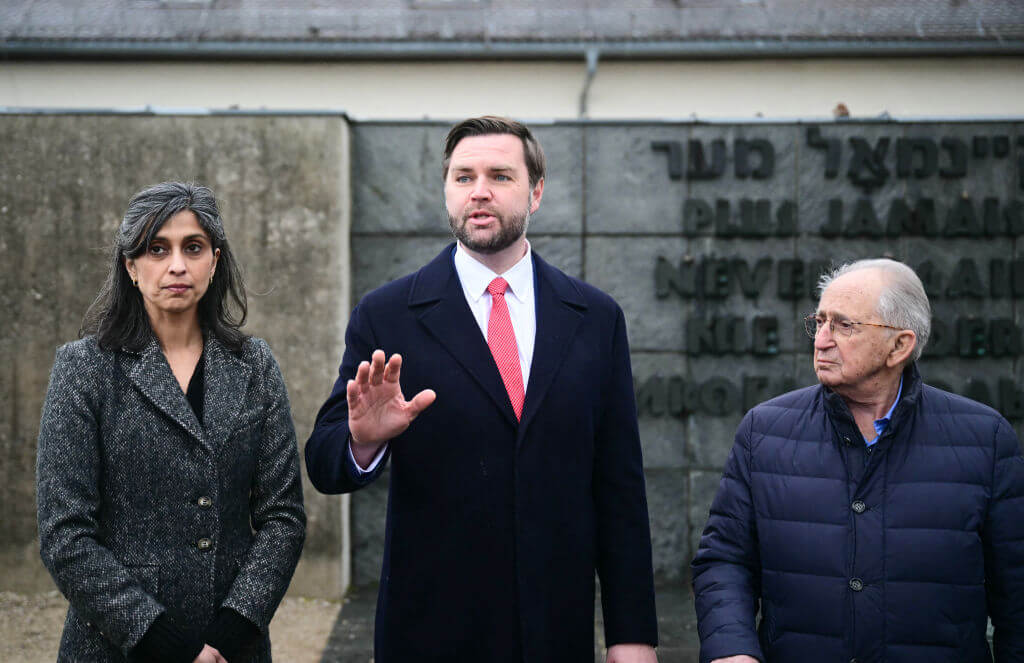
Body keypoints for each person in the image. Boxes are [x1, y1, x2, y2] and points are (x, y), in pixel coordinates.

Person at [305, 116, 658, 662]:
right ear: (446, 189)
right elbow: (325, 464)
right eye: (463, 176)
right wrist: (362, 441)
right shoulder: (389, 314)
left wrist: (631, 636)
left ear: (536, 192)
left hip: (554, 630)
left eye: (500, 175)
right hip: (430, 634)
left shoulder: (594, 318)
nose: (480, 191)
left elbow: (620, 490)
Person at [691, 258, 1024, 663]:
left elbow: (1016, 593)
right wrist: (732, 651)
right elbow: (724, 560)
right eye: (820, 322)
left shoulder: (985, 439)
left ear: (900, 346)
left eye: (844, 326)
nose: (821, 340)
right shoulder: (763, 431)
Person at [36, 182, 306, 663]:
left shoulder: (254, 365)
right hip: (117, 646)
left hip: (232, 646)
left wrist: (231, 629)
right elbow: (65, 533)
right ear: (131, 266)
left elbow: (282, 517)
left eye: (193, 247)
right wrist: (162, 641)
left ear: (215, 261)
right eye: (157, 249)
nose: (177, 265)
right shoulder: (85, 369)